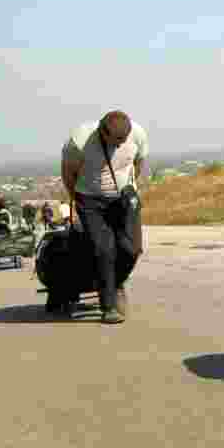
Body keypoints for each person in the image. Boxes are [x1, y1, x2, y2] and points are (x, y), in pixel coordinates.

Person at [60, 110, 149, 324]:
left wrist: (128, 188)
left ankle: (116, 282)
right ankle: (108, 306)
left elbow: (138, 164)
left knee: (132, 248)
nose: (119, 145)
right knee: (104, 249)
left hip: (123, 198)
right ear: (102, 131)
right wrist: (77, 199)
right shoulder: (79, 141)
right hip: (90, 200)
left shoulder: (137, 134)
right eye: (114, 141)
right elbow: (68, 172)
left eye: (122, 141)